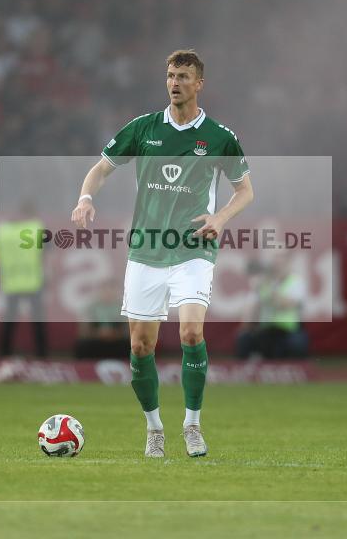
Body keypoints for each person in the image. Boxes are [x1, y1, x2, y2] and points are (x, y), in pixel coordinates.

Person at [71, 50, 254, 458]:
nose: (175, 83)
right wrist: (85, 199)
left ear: (199, 83)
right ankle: (155, 427)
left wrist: (221, 218)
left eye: (183, 76)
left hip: (193, 249)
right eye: (170, 75)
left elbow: (245, 190)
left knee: (191, 333)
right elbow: (100, 169)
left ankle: (192, 424)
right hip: (146, 251)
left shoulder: (220, 137)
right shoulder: (143, 128)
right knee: (140, 347)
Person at [0, 202, 47, 358]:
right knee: (38, 323)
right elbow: (46, 254)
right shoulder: (37, 228)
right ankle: (42, 356)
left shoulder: (2, 232)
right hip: (33, 281)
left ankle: (4, 356)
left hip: (11, 281)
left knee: (9, 323)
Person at [236, 252, 309, 359]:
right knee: (244, 338)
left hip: (288, 331)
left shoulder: (296, 282)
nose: (278, 266)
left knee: (297, 343)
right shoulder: (263, 284)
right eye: (276, 263)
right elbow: (251, 308)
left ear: (288, 264)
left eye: (282, 263)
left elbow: (287, 304)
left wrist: (271, 287)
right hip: (266, 330)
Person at [74, 278, 130, 360]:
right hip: (96, 340)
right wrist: (98, 334)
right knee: (82, 345)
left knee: (130, 345)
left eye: (110, 289)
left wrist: (113, 334)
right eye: (105, 290)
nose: (107, 292)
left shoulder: (122, 307)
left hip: (116, 340)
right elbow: (84, 330)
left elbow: (127, 330)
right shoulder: (91, 307)